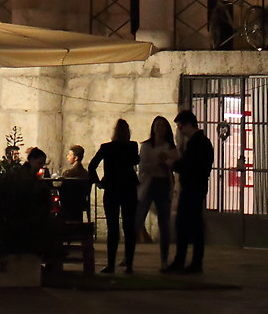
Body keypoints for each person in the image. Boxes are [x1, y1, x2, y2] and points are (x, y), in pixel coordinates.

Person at [88, 119, 140, 273]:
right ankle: (129, 264)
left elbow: (92, 166)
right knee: (129, 226)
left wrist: (97, 182)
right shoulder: (132, 146)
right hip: (129, 188)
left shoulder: (106, 147)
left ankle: (110, 264)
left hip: (111, 187)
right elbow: (135, 160)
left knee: (113, 227)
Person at [168, 110, 213, 275]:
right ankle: (193, 262)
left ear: (188, 125)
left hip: (192, 188)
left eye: (180, 127)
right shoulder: (203, 142)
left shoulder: (196, 144)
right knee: (193, 225)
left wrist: (172, 164)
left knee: (186, 225)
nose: (179, 130)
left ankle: (185, 261)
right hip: (198, 187)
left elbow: (188, 166)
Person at [136, 114, 178, 273]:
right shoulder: (146, 146)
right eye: (157, 125)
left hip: (162, 185)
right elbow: (144, 166)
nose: (159, 128)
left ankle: (164, 260)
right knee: (137, 220)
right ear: (153, 128)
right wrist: (160, 162)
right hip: (148, 185)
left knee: (164, 224)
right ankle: (128, 256)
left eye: (162, 125)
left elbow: (174, 163)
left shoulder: (170, 147)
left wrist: (165, 162)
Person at [56, 144, 91, 224]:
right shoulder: (85, 173)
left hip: (69, 203)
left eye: (69, 155)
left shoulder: (69, 173)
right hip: (81, 201)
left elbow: (62, 188)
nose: (67, 157)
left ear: (75, 158)